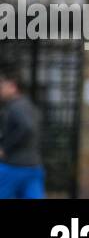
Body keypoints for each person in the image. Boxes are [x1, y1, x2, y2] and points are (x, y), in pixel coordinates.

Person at [0, 71, 44, 199]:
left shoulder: (16, 107)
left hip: (14, 167)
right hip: (34, 165)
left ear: (13, 86)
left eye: (1, 87)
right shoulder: (29, 105)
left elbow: (27, 128)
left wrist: (5, 148)